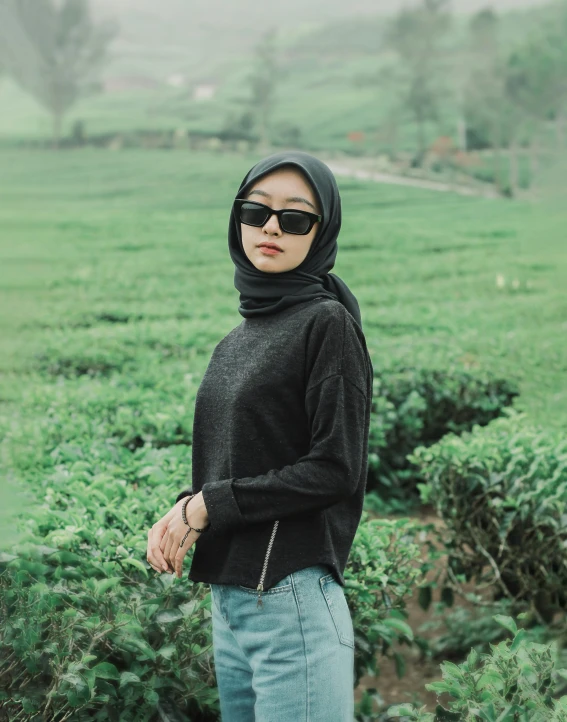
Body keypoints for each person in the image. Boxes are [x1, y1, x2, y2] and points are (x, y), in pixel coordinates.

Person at [146, 150, 373, 721]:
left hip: (289, 597)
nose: (271, 227)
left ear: (322, 232)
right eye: (255, 211)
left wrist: (208, 507)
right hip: (232, 602)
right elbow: (242, 460)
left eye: (296, 218)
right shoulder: (240, 335)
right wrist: (184, 510)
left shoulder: (326, 323)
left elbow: (335, 466)